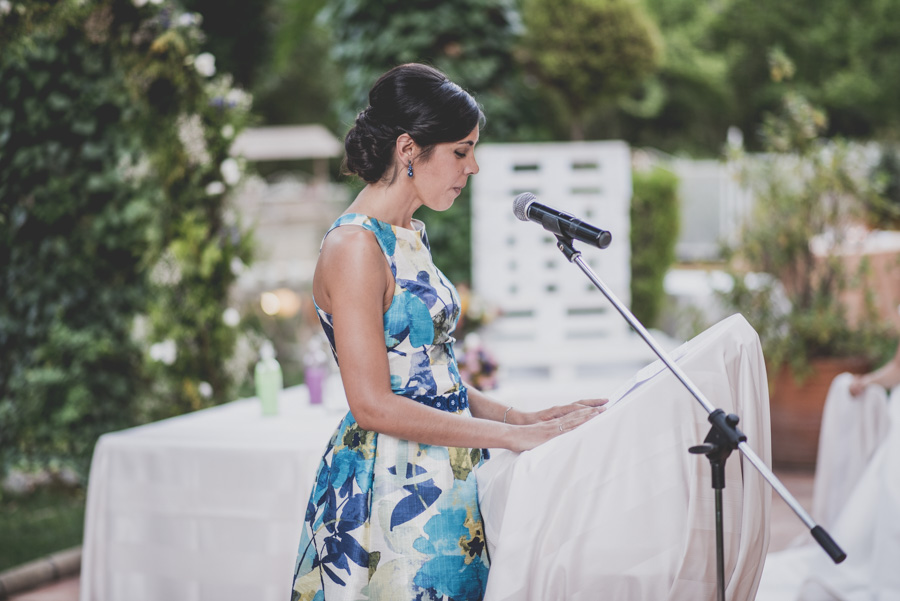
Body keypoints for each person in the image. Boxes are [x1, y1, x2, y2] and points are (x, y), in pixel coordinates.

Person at [290, 63, 606, 601]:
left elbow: (430, 378)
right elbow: (372, 405)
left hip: (446, 469)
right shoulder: (353, 247)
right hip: (389, 488)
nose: (474, 166)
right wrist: (511, 437)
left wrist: (522, 417)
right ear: (410, 149)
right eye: (461, 151)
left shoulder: (408, 234)